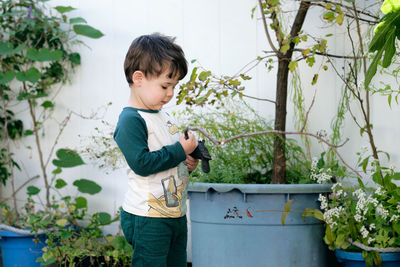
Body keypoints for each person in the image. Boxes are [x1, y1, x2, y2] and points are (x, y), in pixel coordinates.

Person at [113, 33, 199, 267]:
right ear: (138, 78)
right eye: (165, 85)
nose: (171, 93)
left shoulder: (163, 116)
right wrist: (180, 151)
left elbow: (168, 158)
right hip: (147, 217)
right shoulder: (131, 120)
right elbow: (142, 163)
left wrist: (187, 163)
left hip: (174, 214)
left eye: (174, 86)